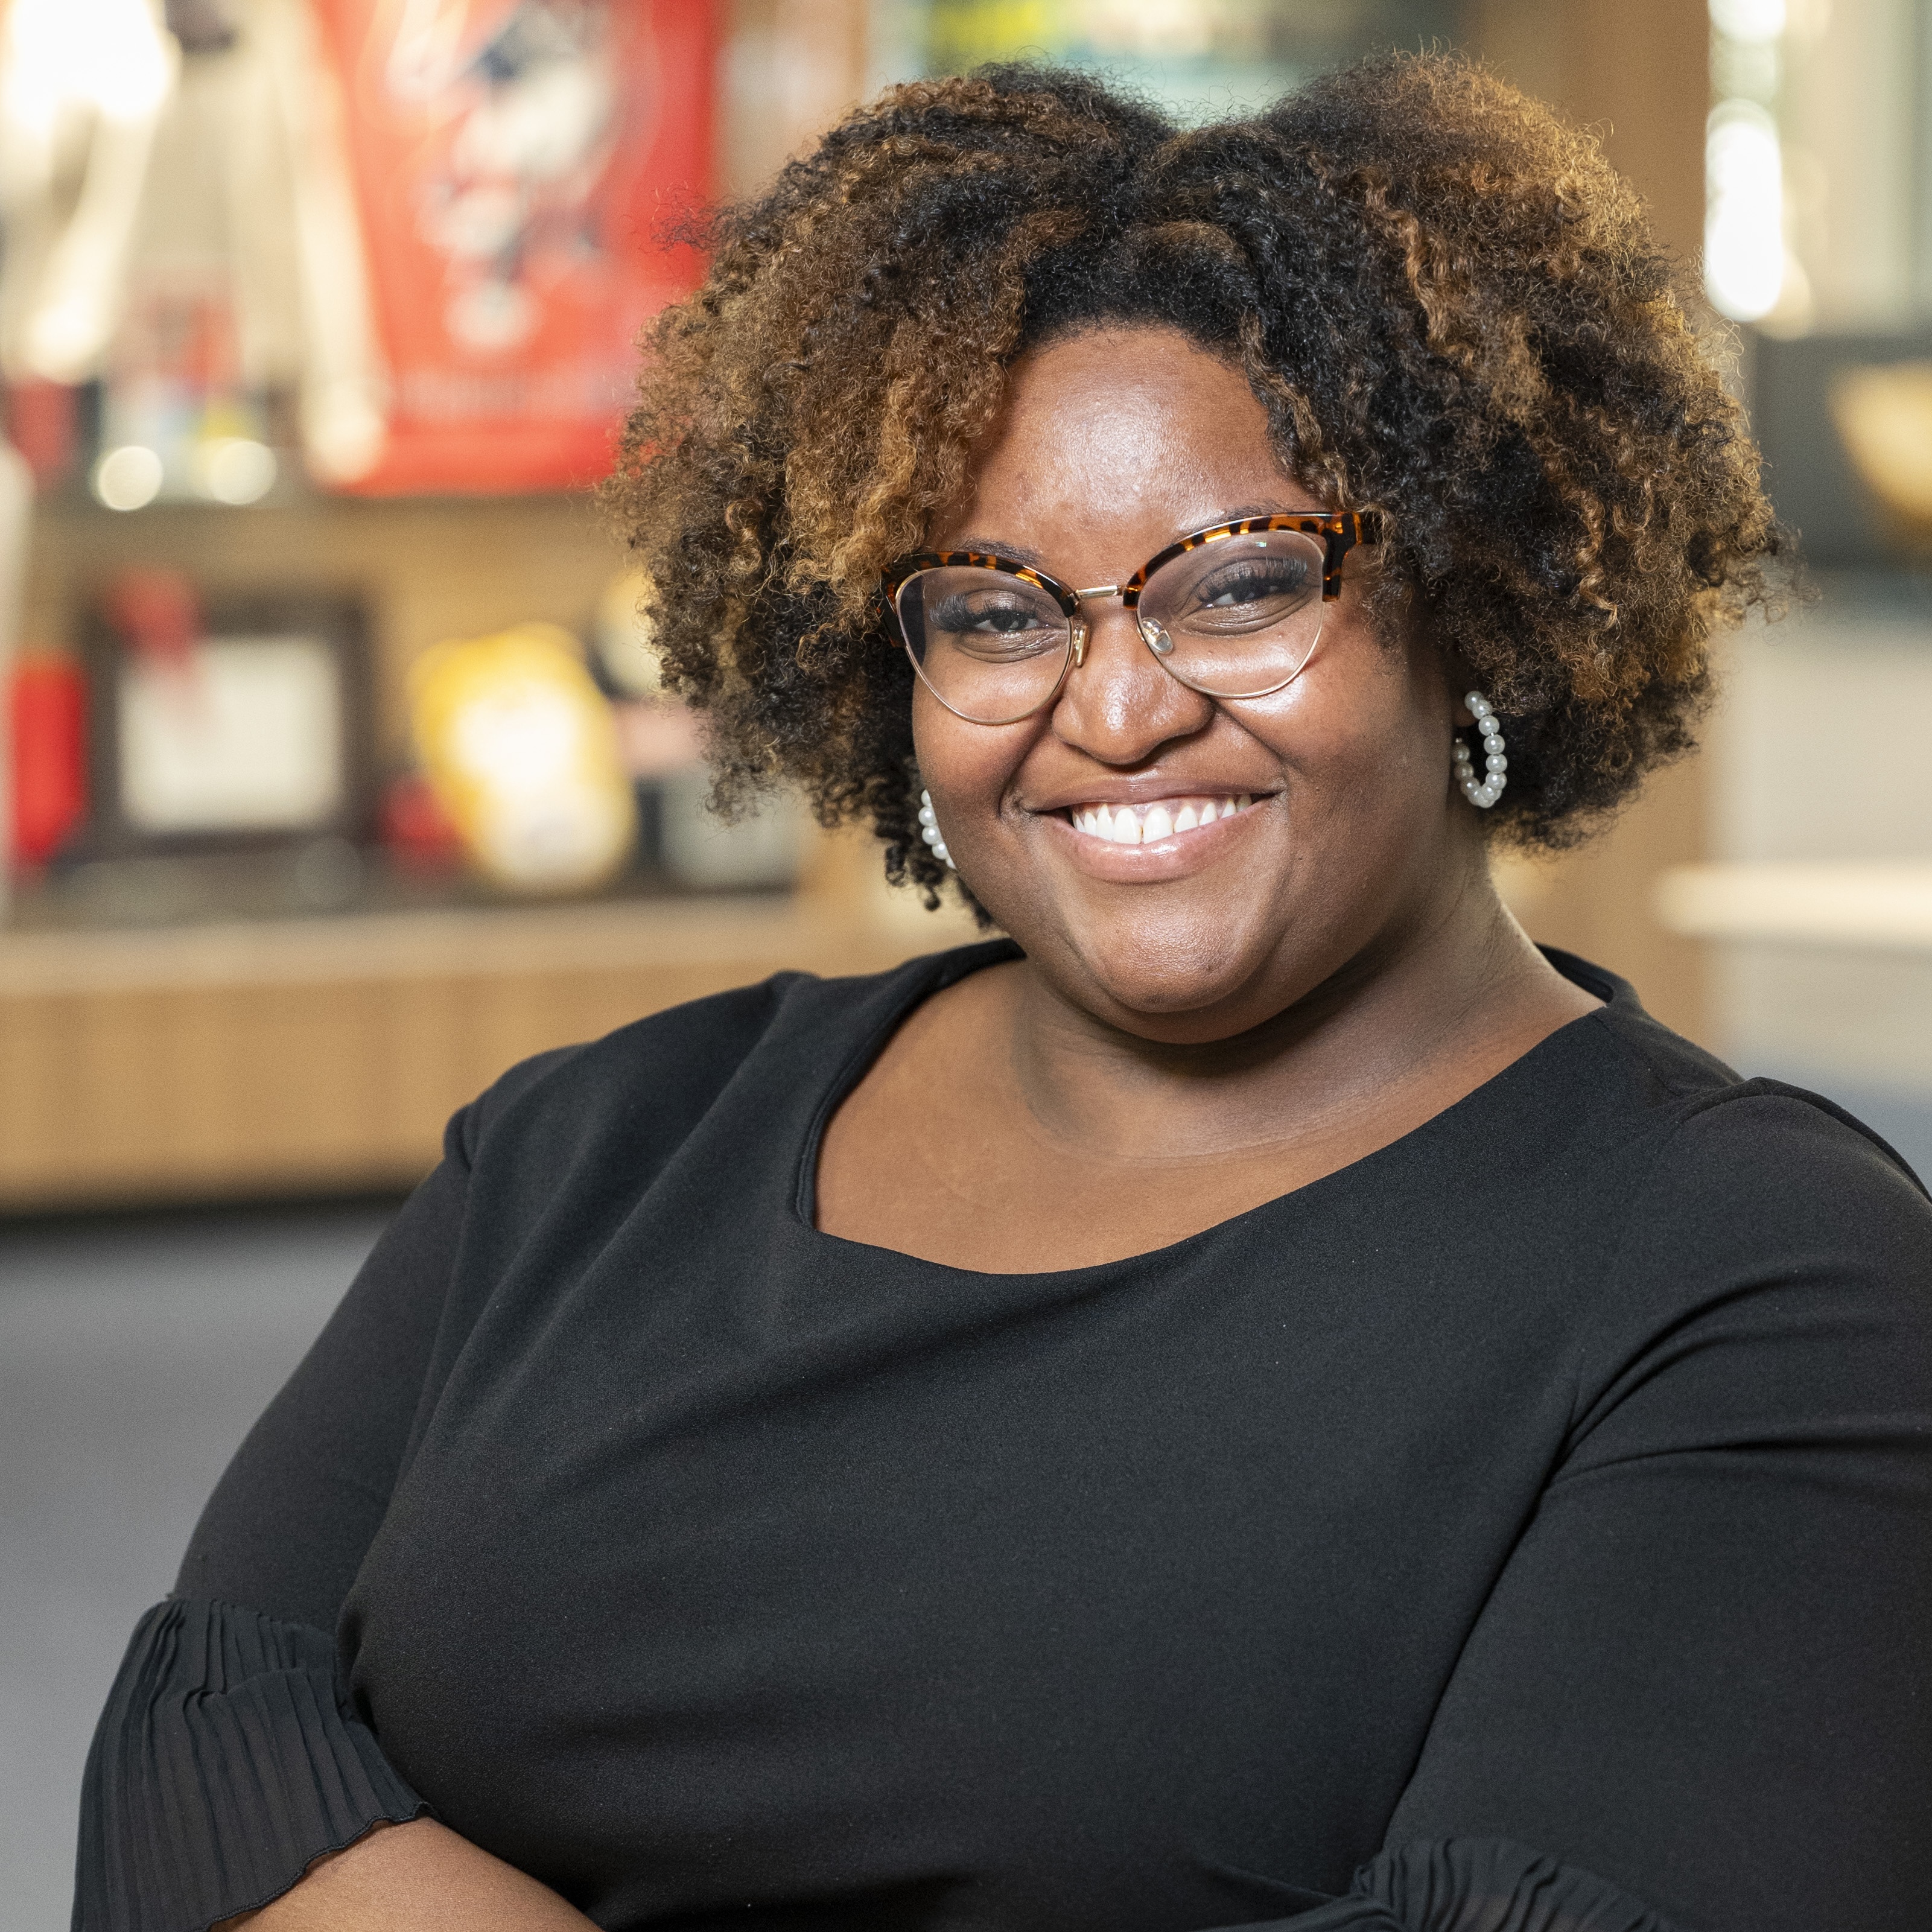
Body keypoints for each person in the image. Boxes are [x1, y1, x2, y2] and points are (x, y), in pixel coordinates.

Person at [75, 53, 1932, 1932]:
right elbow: (205, 1764)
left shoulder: (1757, 1275)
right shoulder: (593, 1146)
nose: (1114, 712)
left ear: (1479, 587)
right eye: (996, 608)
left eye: (1238, 587)